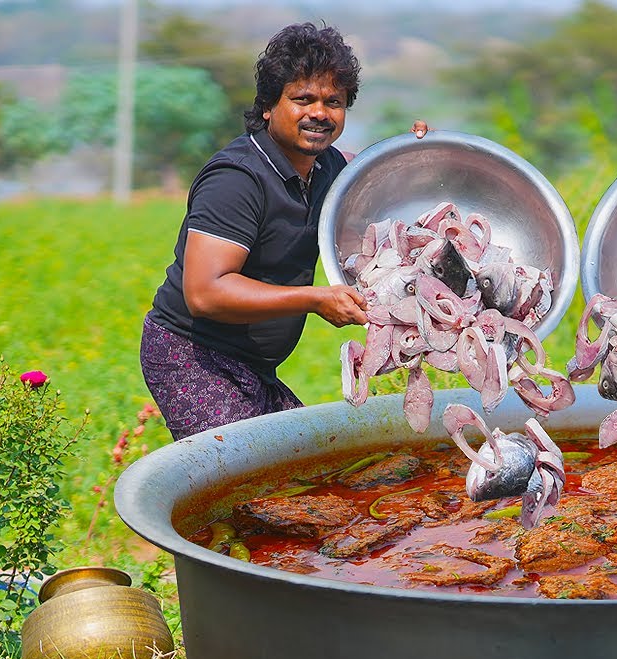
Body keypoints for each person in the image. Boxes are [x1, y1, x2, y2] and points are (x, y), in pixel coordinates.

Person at [140, 22, 429, 441]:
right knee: (252, 485)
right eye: (302, 99)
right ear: (267, 107)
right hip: (193, 355)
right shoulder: (238, 179)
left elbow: (379, 177)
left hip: (253, 364)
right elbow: (205, 292)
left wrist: (416, 151)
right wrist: (314, 300)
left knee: (305, 475)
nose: (319, 112)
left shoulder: (327, 168)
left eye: (334, 101)